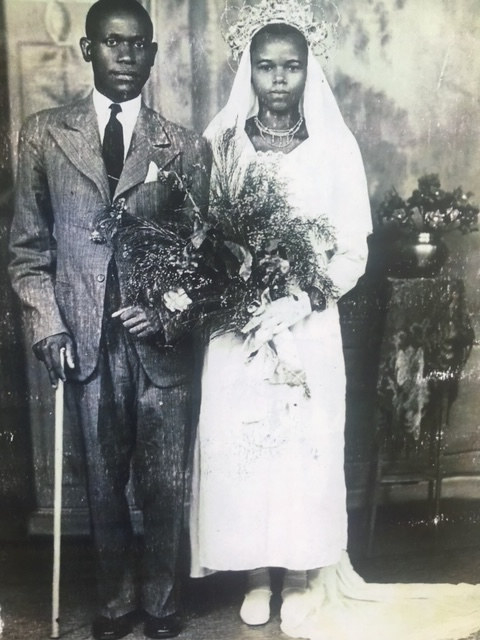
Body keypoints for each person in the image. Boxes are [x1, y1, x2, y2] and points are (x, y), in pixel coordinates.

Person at [189, 3, 480, 639]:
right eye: (265, 67)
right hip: (239, 325)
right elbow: (200, 233)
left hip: (304, 322)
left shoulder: (334, 145)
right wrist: (235, 286)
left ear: (307, 71)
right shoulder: (223, 142)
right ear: (250, 70)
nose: (277, 80)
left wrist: (302, 297)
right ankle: (254, 574)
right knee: (239, 445)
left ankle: (298, 575)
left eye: (291, 67)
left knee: (300, 448)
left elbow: (352, 248)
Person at [9, 1, 210, 639]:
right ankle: (118, 600)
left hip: (160, 345)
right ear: (87, 50)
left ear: (153, 54)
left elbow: (204, 252)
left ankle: (161, 599)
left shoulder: (183, 144)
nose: (125, 57)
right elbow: (28, 250)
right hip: (85, 341)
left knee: (164, 480)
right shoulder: (44, 134)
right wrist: (49, 327)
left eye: (138, 46)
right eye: (112, 44)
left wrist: (164, 310)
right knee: (102, 480)